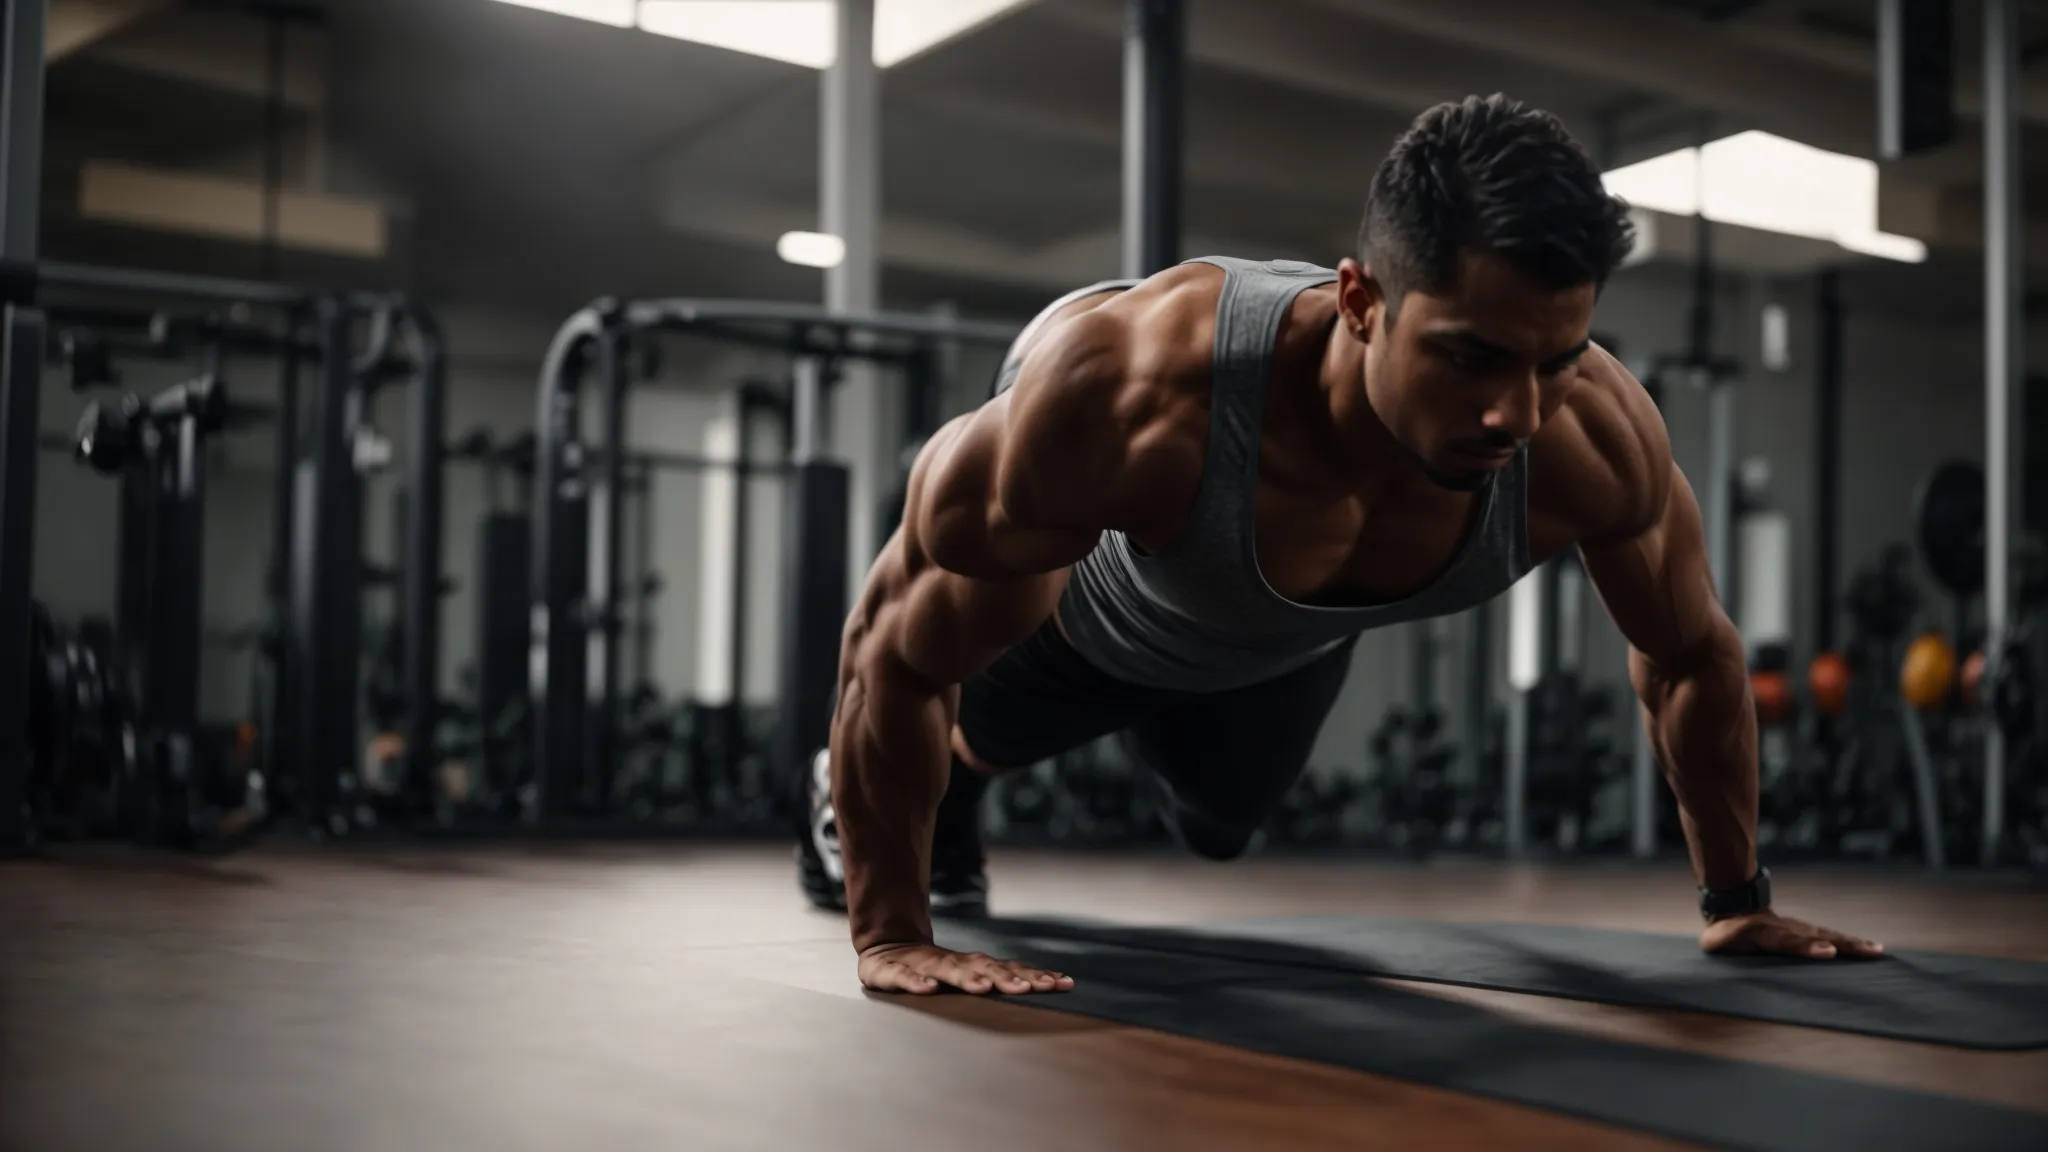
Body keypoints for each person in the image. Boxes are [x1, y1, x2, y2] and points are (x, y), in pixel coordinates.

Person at [800, 94, 1885, 996]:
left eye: (1555, 360)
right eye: (1471, 356)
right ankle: (895, 791)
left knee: (1221, 827)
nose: (1517, 413)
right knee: (972, 714)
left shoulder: (1592, 436)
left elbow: (1689, 654)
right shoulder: (1130, 398)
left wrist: (1737, 904)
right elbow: (892, 649)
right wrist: (889, 935)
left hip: (1276, 647)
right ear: (1361, 300)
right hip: (1090, 623)